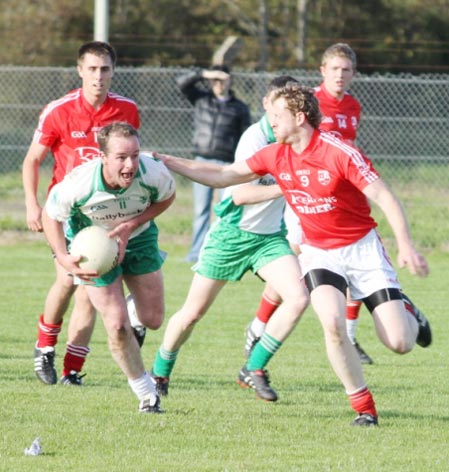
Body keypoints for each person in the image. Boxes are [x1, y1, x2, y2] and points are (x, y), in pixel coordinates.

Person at [153, 83, 432, 426]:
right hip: (319, 252)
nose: (270, 121)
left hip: (362, 251)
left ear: (300, 117)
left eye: (276, 116)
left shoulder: (338, 151)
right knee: (332, 323)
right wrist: (169, 162)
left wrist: (405, 246)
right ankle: (364, 409)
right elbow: (225, 176)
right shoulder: (275, 153)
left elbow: (385, 196)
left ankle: (405, 309)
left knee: (400, 343)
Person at [150, 76, 310, 403]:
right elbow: (238, 193)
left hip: (268, 239)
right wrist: (287, 186)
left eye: (288, 109)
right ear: (268, 103)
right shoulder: (256, 138)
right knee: (192, 313)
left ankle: (254, 368)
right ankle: (160, 370)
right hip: (232, 237)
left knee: (298, 297)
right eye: (277, 107)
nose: (279, 116)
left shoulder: (299, 141)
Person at [22, 41, 145, 386]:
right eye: (91, 69)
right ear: (80, 71)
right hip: (64, 212)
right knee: (66, 279)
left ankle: (71, 370)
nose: (98, 76)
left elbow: (130, 157)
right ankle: (45, 347)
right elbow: (33, 159)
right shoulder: (59, 111)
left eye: (105, 69)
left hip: (103, 213)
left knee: (91, 290)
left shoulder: (127, 109)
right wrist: (33, 203)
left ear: (113, 72)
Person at [246, 43, 374, 364]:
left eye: (346, 70)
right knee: (294, 261)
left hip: (337, 198)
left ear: (354, 74)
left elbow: (347, 154)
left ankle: (351, 336)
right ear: (322, 71)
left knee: (348, 263)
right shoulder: (309, 102)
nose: (340, 76)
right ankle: (259, 326)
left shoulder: (353, 107)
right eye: (335, 69)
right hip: (306, 195)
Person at [41, 122, 175, 413]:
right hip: (93, 248)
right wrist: (63, 257)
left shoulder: (153, 173)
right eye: (121, 157)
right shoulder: (80, 184)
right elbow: (50, 214)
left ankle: (132, 312)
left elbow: (167, 198)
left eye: (135, 155)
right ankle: (147, 395)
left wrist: (131, 225)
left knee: (152, 319)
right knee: (116, 324)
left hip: (138, 239)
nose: (130, 164)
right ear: (102, 157)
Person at [177, 64, 252, 262]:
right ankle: (195, 253)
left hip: (227, 164)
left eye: (223, 78)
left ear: (230, 79)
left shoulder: (239, 107)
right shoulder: (202, 99)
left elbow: (246, 137)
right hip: (202, 161)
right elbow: (182, 83)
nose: (219, 83)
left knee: (225, 210)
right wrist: (204, 73)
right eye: (215, 79)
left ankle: (220, 252)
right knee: (201, 210)